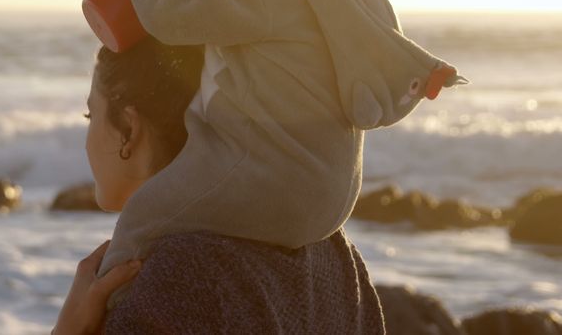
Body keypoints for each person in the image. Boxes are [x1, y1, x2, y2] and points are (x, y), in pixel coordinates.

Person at [94, 0, 468, 307]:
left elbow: (171, 9)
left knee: (143, 218)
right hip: (330, 195)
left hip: (257, 174)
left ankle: (110, 310)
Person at [52, 37, 385, 334]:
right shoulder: (334, 253)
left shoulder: (175, 278)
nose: (86, 142)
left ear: (128, 127)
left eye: (90, 115)